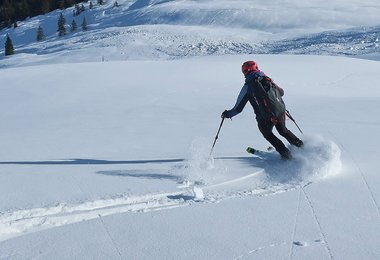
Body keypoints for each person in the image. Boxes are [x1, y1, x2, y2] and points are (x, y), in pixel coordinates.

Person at [221, 60, 303, 160]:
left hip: (265, 117)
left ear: (245, 72)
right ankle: (301, 147)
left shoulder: (248, 87)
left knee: (267, 134)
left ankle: (286, 156)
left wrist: (227, 114)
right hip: (280, 111)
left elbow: (238, 109)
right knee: (283, 130)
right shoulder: (267, 79)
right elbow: (281, 92)